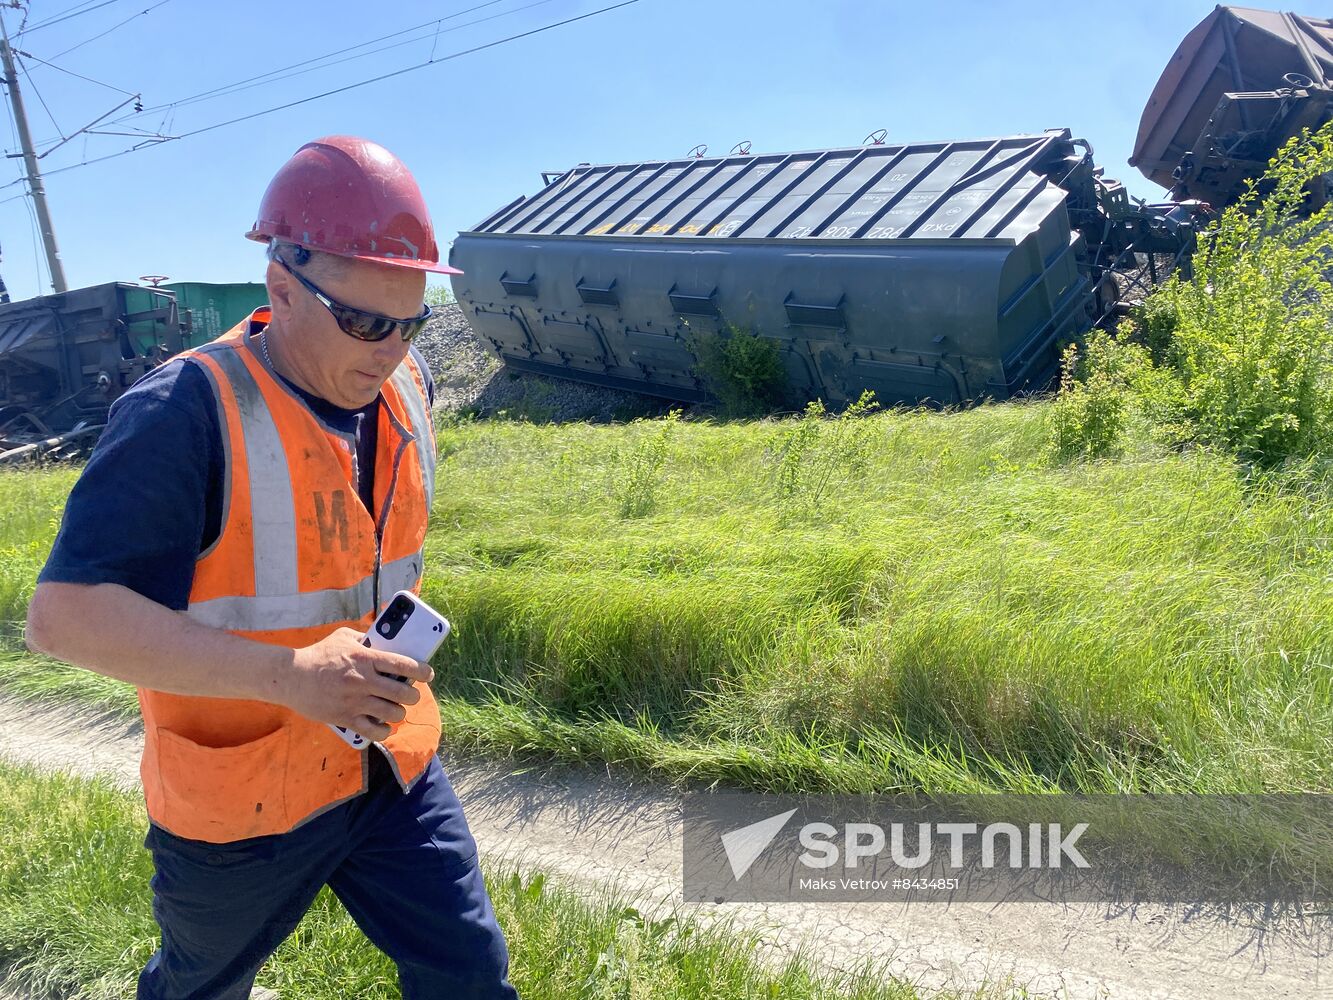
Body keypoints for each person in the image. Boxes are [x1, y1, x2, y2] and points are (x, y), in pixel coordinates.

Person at [25, 136, 518, 1000]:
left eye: (412, 322)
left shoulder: (406, 386)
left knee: (469, 971)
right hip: (243, 795)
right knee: (201, 985)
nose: (390, 350)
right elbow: (64, 618)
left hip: (387, 759)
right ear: (281, 288)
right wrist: (288, 675)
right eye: (365, 322)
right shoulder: (183, 411)